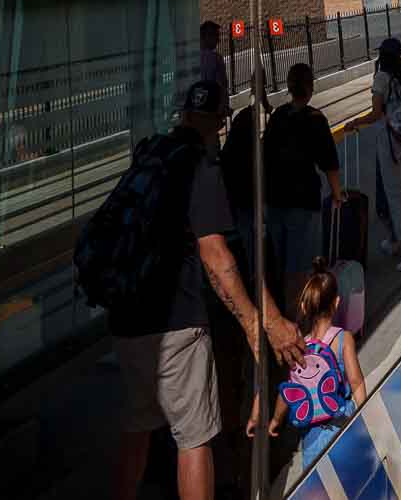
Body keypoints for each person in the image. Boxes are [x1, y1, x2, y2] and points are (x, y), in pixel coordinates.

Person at [105, 80, 303, 500]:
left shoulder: (150, 154)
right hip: (176, 322)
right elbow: (218, 258)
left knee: (136, 427)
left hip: (126, 318)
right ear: (218, 121)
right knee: (193, 438)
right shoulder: (201, 168)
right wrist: (256, 323)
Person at [250, 259, 368, 471]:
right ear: (337, 302)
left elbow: (289, 391)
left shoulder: (298, 346)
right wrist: (365, 413)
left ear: (304, 307)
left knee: (319, 486)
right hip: (341, 422)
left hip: (312, 434)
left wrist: (276, 420)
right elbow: (356, 381)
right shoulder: (343, 338)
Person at [264, 62, 345, 307]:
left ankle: (282, 313)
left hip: (275, 199)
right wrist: (337, 194)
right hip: (303, 200)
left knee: (282, 261)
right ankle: (297, 321)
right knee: (299, 267)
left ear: (289, 87)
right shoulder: (315, 120)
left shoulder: (278, 116)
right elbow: (329, 164)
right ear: (310, 88)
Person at [345, 38, 401, 273]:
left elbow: (375, 113)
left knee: (396, 196)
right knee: (400, 192)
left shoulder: (382, 78)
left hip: (390, 142)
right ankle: (395, 240)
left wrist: (354, 122)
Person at [198, 20, 229, 95]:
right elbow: (222, 86)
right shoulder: (216, 58)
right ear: (207, 37)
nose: (219, 40)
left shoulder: (192, 58)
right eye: (216, 36)